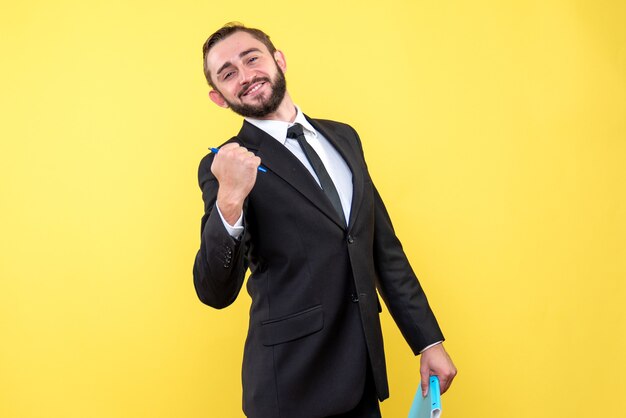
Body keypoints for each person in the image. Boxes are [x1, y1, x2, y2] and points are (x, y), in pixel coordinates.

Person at [193, 23, 457, 418]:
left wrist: (427, 341)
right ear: (219, 97)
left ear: (278, 60)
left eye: (252, 59)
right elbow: (214, 290)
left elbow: (382, 249)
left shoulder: (344, 137)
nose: (246, 76)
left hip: (361, 377)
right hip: (290, 388)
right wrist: (229, 200)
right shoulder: (226, 163)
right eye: (228, 73)